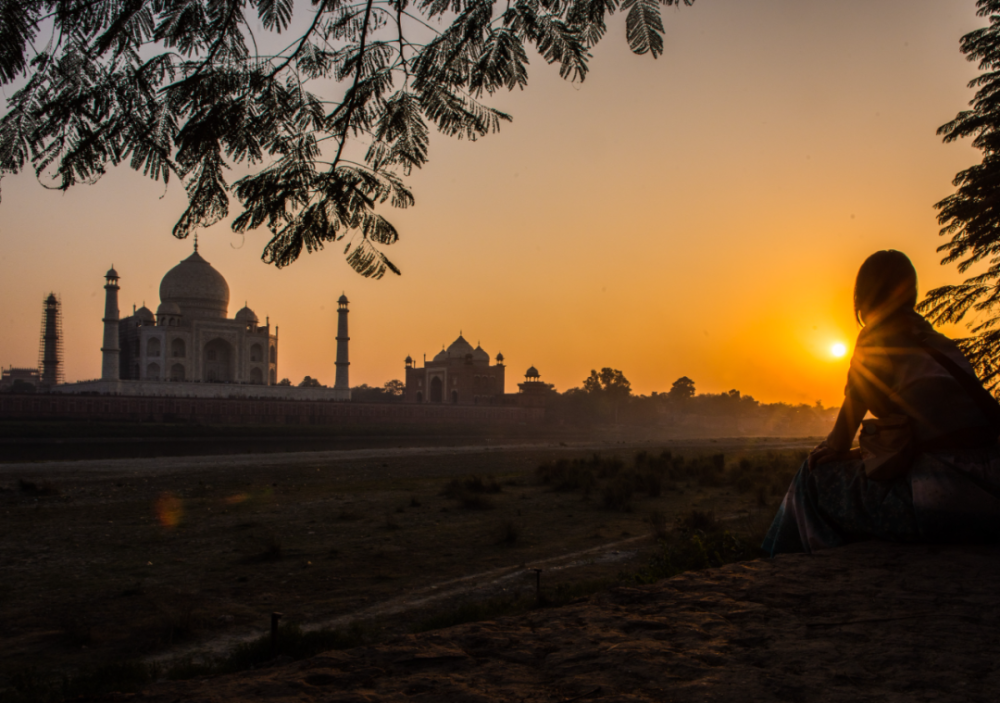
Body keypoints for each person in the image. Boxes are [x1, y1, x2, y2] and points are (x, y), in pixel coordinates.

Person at [762, 250, 1000, 556]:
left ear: (861, 297)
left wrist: (834, 450)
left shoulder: (875, 337)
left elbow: (837, 442)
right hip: (992, 490)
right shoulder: (939, 342)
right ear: (911, 292)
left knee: (812, 477)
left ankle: (789, 565)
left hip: (944, 500)